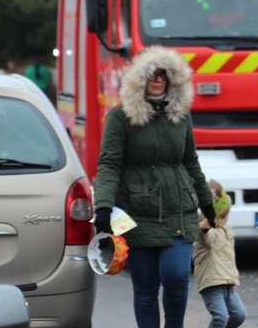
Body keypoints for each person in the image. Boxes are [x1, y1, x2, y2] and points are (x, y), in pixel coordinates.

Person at [93, 45, 216, 328]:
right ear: (140, 78)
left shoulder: (181, 114)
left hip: (178, 209)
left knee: (176, 276)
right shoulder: (120, 117)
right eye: (153, 74)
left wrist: (206, 203)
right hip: (136, 213)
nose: (158, 79)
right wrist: (103, 208)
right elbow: (109, 164)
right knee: (145, 288)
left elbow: (190, 161)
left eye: (164, 74)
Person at [193, 179, 247, 328]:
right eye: (222, 215)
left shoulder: (226, 230)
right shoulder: (206, 232)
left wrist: (232, 279)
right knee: (220, 317)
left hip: (227, 283)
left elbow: (229, 258)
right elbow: (206, 239)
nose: (225, 218)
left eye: (226, 215)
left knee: (240, 315)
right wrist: (203, 228)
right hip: (211, 283)